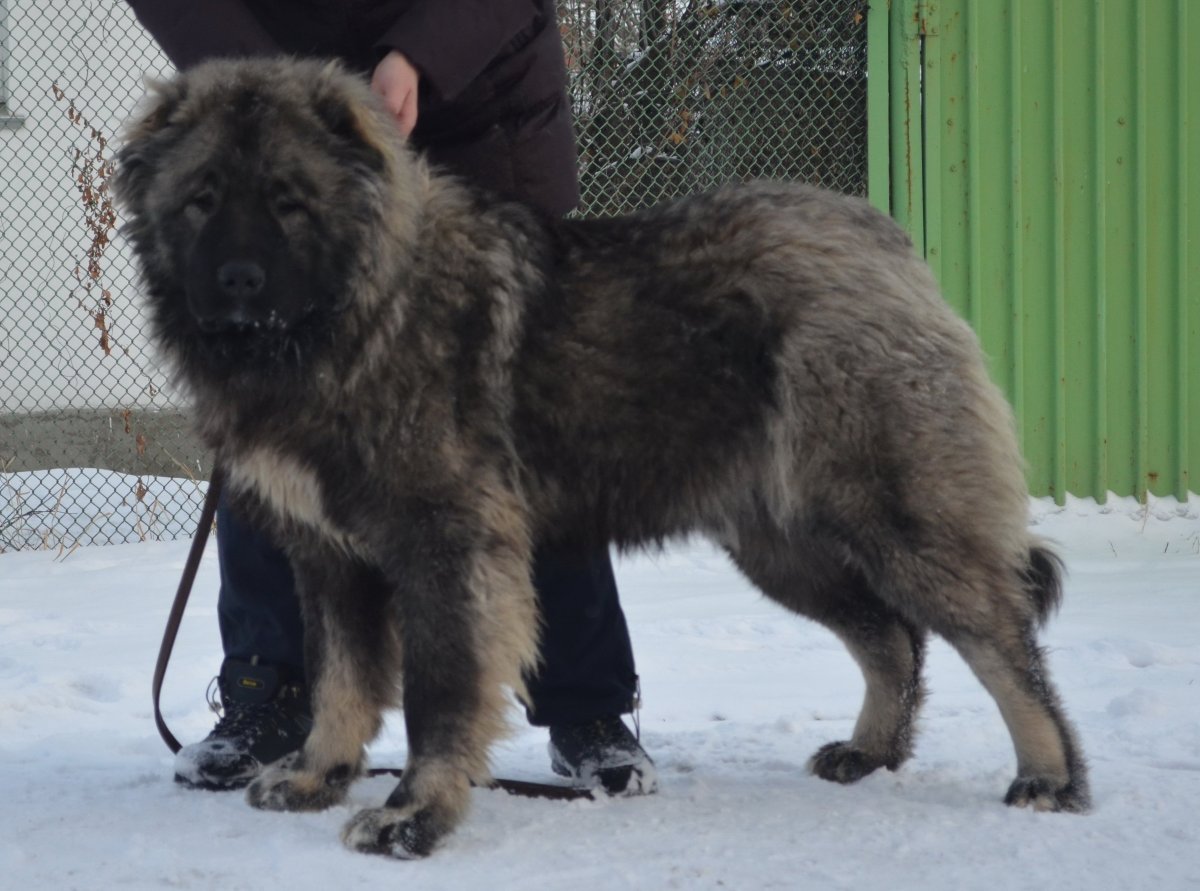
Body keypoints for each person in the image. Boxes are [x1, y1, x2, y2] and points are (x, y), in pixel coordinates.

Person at [124, 0, 656, 797]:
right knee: (269, 426)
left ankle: (585, 704)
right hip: (276, 129)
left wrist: (419, 55)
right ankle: (270, 693)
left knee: (519, 429)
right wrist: (264, 83)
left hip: (472, 106)